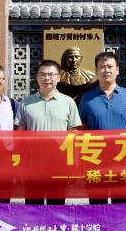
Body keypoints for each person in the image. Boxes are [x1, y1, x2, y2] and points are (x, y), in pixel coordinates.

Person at [78, 51, 126, 204]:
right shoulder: (87, 98)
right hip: (95, 159)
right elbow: (81, 130)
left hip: (123, 158)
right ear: (96, 71)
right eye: (101, 67)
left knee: (121, 203)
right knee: (97, 204)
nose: (106, 70)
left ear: (117, 70)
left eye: (109, 66)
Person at [18, 59, 82, 205]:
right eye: (43, 74)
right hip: (32, 165)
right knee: (33, 206)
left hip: (59, 164)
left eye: (51, 74)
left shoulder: (68, 102)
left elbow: (74, 136)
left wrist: (74, 164)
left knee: (57, 206)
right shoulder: (25, 103)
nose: (47, 78)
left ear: (59, 77)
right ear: (37, 77)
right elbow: (20, 136)